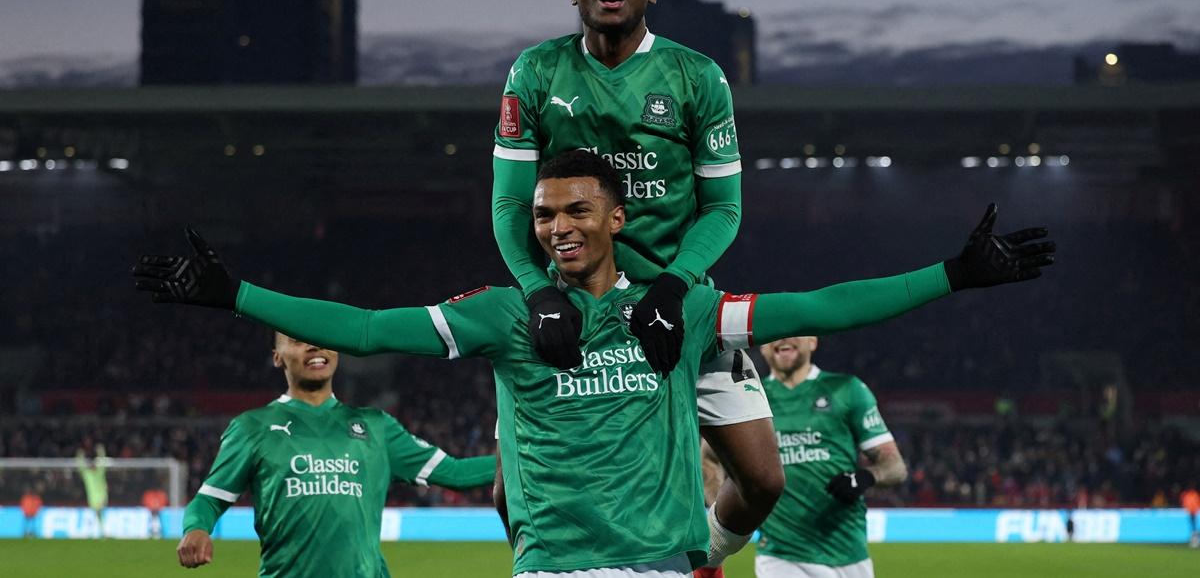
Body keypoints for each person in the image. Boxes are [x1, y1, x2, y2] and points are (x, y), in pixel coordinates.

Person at [134, 150, 1055, 578]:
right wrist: (235, 293)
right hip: (557, 568)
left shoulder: (682, 310)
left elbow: (822, 306)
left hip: (660, 564)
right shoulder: (503, 315)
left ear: (617, 218)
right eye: (543, 215)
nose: (558, 227)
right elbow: (369, 329)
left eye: (577, 211)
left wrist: (954, 275)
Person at [491, 0, 776, 570]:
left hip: (677, 309)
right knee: (513, 491)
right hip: (577, 309)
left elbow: (725, 208)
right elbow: (510, 204)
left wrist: (675, 285)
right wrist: (539, 293)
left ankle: (693, 558)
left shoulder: (695, 75)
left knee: (763, 480)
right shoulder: (535, 72)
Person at [174, 333, 496, 576]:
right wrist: (196, 529)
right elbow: (209, 499)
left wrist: (532, 455)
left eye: (325, 338)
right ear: (277, 357)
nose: (316, 347)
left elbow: (458, 474)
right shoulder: (252, 428)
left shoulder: (377, 426)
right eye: (299, 341)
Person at [754, 336, 906, 578]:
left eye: (794, 329)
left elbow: (895, 466)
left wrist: (866, 476)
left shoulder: (847, 389)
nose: (783, 337)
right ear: (762, 346)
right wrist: (724, 522)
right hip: (780, 555)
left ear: (813, 341)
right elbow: (709, 459)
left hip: (847, 550)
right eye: (775, 331)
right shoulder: (750, 398)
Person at [75, 444, 107, 538]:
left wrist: (101, 452)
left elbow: (103, 462)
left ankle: (101, 532)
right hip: (92, 499)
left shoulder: (99, 472)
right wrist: (79, 456)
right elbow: (80, 467)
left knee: (98, 513)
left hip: (101, 497)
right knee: (96, 515)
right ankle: (98, 532)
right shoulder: (87, 474)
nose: (92, 465)